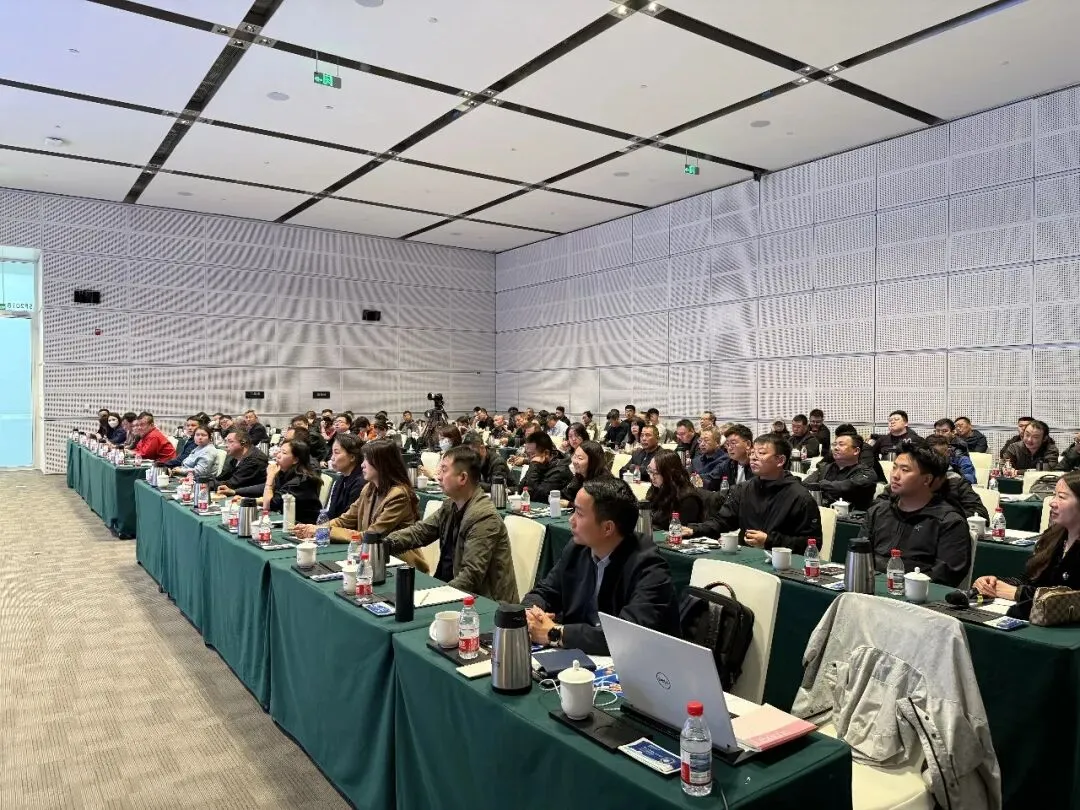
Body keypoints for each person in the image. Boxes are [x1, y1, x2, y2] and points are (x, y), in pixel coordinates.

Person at [522, 478, 681, 655]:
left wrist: (555, 633)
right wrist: (530, 615)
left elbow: (626, 635)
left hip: (636, 661)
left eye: (579, 514)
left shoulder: (649, 568)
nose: (571, 520)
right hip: (581, 655)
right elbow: (545, 591)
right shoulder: (577, 549)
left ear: (607, 528)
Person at [386, 446, 517, 602]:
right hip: (453, 590)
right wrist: (384, 543)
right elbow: (420, 533)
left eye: (444, 470)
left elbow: (470, 576)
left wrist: (434, 597)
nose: (438, 476)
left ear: (462, 478)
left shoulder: (484, 518)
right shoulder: (451, 505)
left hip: (485, 603)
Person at [682, 434, 820, 554]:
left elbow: (813, 543)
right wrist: (693, 530)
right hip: (745, 557)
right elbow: (722, 521)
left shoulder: (800, 496)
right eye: (753, 453)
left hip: (781, 563)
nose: (753, 458)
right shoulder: (743, 489)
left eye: (761, 453)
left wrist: (769, 540)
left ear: (780, 460)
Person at [297, 440, 426, 567]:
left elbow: (371, 535)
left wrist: (323, 530)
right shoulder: (369, 488)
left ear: (382, 464)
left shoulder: (399, 495)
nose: (362, 465)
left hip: (400, 561)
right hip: (370, 556)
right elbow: (345, 520)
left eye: (367, 460)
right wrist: (316, 528)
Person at [861, 442, 970, 587]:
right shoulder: (877, 512)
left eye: (905, 470)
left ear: (927, 479)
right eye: (894, 467)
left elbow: (944, 578)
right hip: (870, 589)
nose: (895, 475)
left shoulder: (949, 522)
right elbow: (860, 558)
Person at [974, 473, 1080, 616]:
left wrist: (1017, 593)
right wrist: (993, 583)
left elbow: (1069, 598)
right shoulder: (1053, 536)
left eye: (1061, 497)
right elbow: (1030, 579)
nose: (1052, 503)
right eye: (1054, 495)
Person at [233, 439, 322, 523]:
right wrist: (248, 499)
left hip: (303, 527)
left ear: (295, 460)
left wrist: (270, 477)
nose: (278, 456)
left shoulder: (301, 482)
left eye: (284, 453)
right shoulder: (284, 473)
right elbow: (271, 494)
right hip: (287, 522)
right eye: (279, 451)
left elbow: (268, 505)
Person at [802, 433, 877, 511]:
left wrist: (821, 485)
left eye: (841, 445)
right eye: (834, 444)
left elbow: (846, 487)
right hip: (823, 514)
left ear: (856, 451)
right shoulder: (825, 468)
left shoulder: (866, 473)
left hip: (853, 516)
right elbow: (805, 485)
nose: (836, 448)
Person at [925, 435, 989, 521]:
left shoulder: (957, 481)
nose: (935, 460)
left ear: (948, 453)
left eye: (939, 455)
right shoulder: (917, 480)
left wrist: (947, 519)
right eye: (931, 455)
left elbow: (980, 513)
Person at [646, 449, 705, 530]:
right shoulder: (656, 488)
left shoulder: (688, 499)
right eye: (650, 471)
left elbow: (679, 530)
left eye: (656, 473)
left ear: (670, 473)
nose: (652, 477)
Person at [322, 433, 366, 521]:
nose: (332, 458)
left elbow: (349, 520)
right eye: (332, 453)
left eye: (336, 453)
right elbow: (331, 512)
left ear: (352, 457)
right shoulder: (341, 479)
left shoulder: (361, 484)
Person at [521, 431, 573, 503]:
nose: (530, 458)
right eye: (528, 455)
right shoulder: (538, 464)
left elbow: (536, 496)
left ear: (546, 453)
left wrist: (534, 465)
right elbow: (521, 490)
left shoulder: (560, 470)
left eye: (532, 454)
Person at [560, 440, 615, 507]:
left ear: (593, 462)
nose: (575, 461)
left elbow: (596, 508)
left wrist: (570, 504)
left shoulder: (603, 483)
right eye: (575, 456)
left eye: (580, 458)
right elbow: (566, 494)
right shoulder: (580, 475)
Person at [213, 428, 268, 494]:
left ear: (243, 443)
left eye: (230, 442)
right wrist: (208, 482)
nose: (226, 445)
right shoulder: (235, 456)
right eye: (226, 441)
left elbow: (232, 484)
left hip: (251, 497)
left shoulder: (254, 460)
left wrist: (208, 484)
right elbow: (223, 477)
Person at [690, 427, 728, 491]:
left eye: (706, 440)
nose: (702, 444)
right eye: (700, 440)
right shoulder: (696, 460)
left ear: (717, 443)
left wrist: (691, 479)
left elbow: (711, 481)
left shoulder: (725, 460)